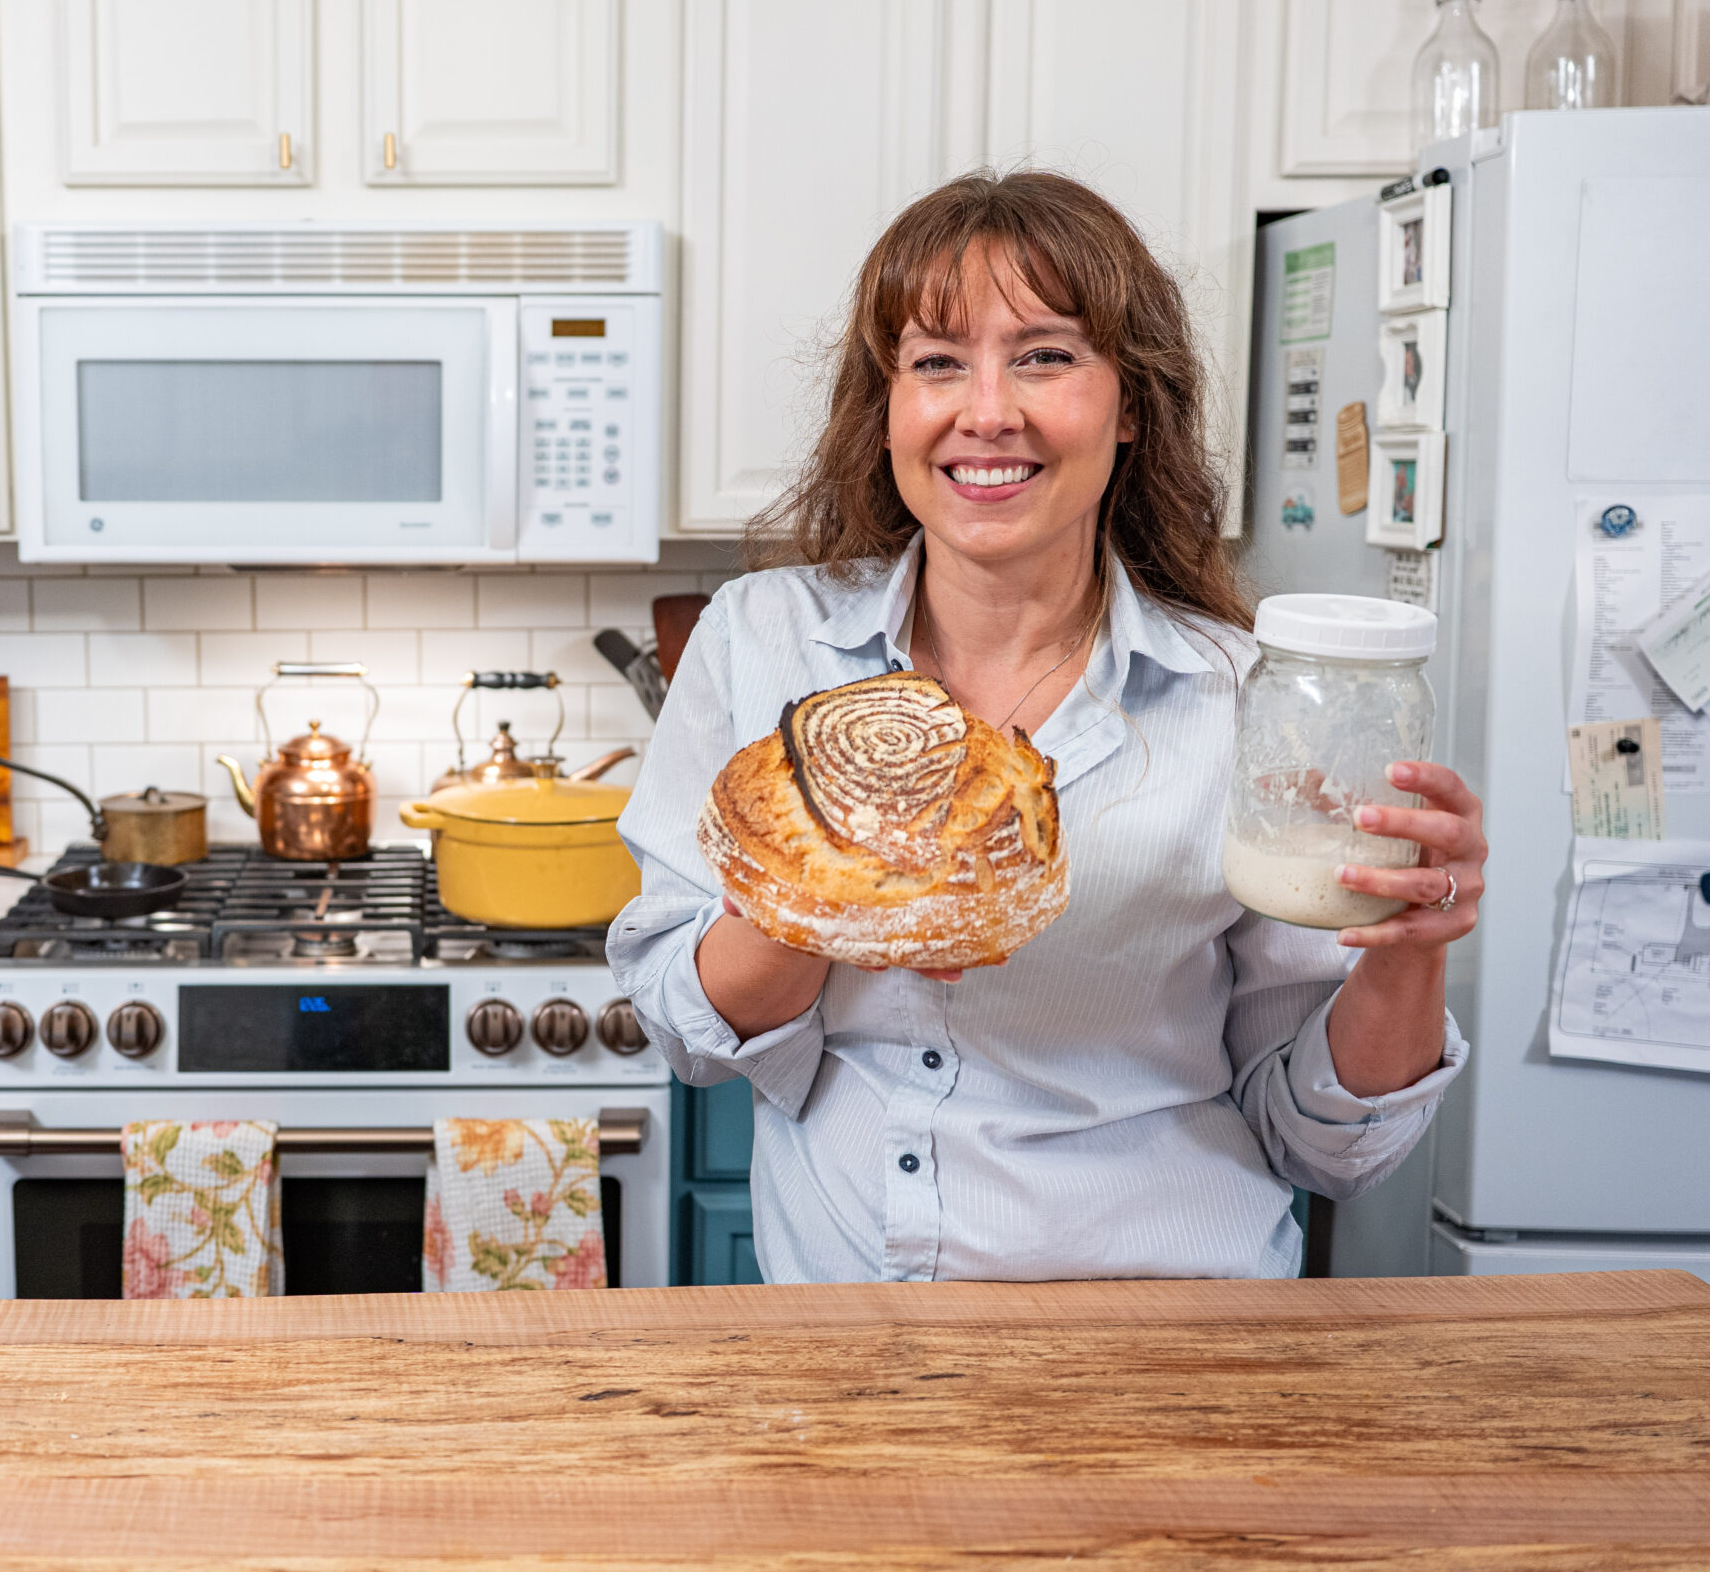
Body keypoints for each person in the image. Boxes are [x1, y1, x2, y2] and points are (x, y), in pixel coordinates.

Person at [608, 171, 1485, 1282]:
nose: (987, 411)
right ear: (885, 413)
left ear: (1130, 407)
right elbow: (688, 1038)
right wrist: (839, 875)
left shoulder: (1245, 697)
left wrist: (1410, 954)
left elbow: (1321, 1143)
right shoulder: (761, 639)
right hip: (846, 1346)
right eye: (935, 363)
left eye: (1045, 355)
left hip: (1163, 1341)